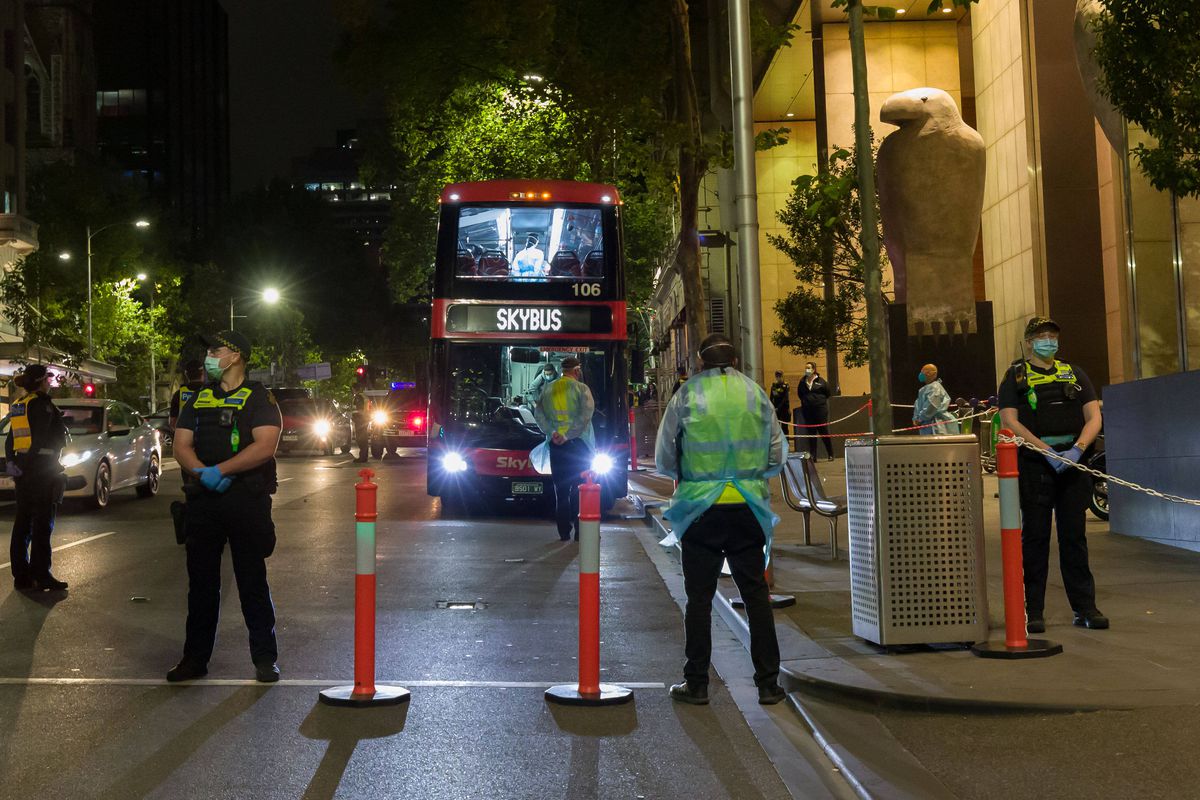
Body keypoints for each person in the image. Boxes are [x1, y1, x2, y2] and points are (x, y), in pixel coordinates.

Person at [656, 334, 787, 706]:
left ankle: (696, 683)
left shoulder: (687, 395)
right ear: (735, 358)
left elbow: (665, 452)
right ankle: (768, 684)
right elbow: (777, 451)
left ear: (700, 361)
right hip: (748, 507)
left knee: (699, 598)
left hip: (701, 509)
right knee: (755, 595)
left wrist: (683, 474)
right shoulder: (754, 393)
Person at [168, 330, 284, 683]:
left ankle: (264, 658)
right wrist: (203, 474)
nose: (209, 357)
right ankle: (194, 659)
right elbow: (181, 444)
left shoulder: (260, 398)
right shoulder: (199, 397)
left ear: (235, 356)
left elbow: (266, 445)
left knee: (252, 580)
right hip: (204, 501)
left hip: (245, 499)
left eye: (215, 350)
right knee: (201, 585)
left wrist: (222, 470)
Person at [998, 317, 1107, 633]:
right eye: (1042, 336)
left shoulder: (1074, 373)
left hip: (1073, 466)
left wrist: (1077, 450)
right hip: (1035, 467)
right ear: (1029, 342)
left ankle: (1085, 608)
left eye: (1053, 335)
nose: (1049, 340)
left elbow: (1093, 416)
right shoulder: (1015, 378)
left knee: (1075, 538)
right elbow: (1010, 420)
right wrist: (1046, 452)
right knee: (1035, 539)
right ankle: (1033, 611)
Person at [6, 364, 68, 592]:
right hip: (42, 470)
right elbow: (39, 440)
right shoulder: (42, 405)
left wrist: (15, 465)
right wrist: (27, 466)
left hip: (24, 472)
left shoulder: (20, 405)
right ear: (43, 381)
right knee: (43, 525)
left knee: (22, 523)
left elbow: (11, 440)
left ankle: (21, 576)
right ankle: (41, 575)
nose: (50, 383)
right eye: (49, 379)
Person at [533, 356, 595, 542]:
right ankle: (579, 531)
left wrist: (553, 433)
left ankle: (563, 532)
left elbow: (539, 414)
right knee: (579, 489)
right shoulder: (582, 389)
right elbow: (585, 417)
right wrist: (568, 435)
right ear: (577, 371)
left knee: (561, 491)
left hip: (556, 446)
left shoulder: (548, 388)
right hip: (579, 446)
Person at [796, 361, 834, 460]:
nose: (807, 370)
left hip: (820, 410)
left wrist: (818, 401)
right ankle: (813, 455)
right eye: (806, 368)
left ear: (813, 369)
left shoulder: (821, 381)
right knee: (811, 433)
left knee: (823, 432)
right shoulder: (802, 382)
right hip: (808, 411)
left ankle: (830, 453)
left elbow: (827, 393)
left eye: (809, 368)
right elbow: (800, 394)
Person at [912, 363, 957, 435]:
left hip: (936, 424)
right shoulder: (924, 389)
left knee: (937, 444)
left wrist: (920, 419)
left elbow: (931, 406)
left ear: (931, 374)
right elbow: (918, 405)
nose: (921, 374)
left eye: (924, 371)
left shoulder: (935, 388)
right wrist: (915, 418)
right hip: (926, 424)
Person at [169, 360, 206, 432]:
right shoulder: (211, 392)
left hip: (183, 436)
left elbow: (173, 422)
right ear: (202, 373)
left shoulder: (178, 394)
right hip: (205, 436)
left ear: (186, 374)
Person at [351, 388, 370, 463]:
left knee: (361, 439)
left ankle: (362, 457)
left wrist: (356, 417)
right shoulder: (364, 396)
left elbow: (359, 410)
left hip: (360, 420)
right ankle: (364, 457)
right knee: (363, 439)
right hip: (364, 419)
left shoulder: (358, 397)